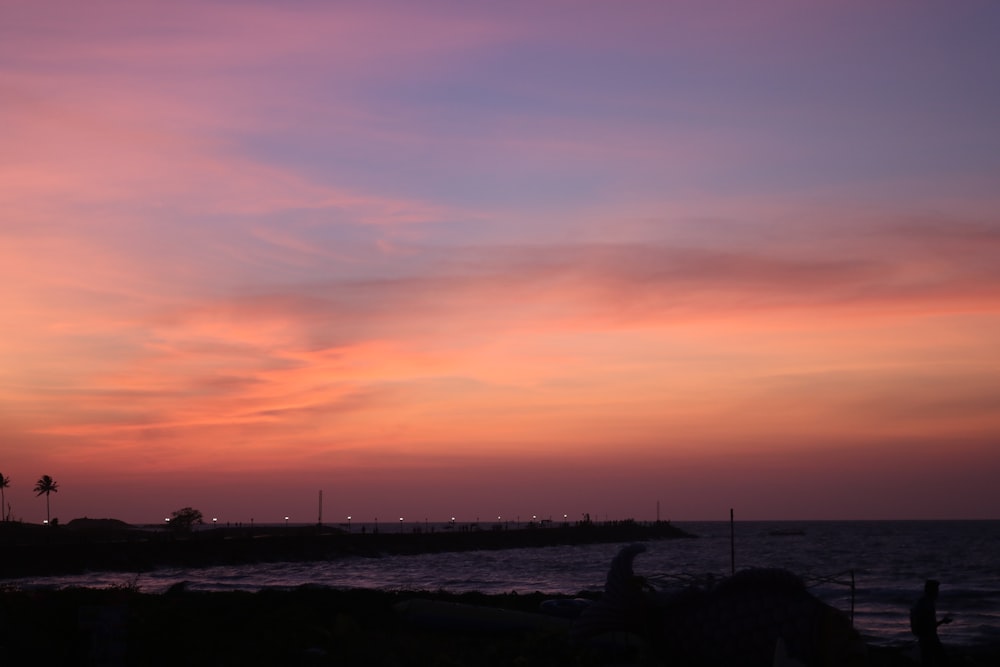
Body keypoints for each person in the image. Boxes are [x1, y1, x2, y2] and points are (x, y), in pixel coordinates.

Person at [910, 579, 952, 666]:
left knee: (929, 659)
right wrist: (942, 622)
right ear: (931, 591)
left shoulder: (923, 602)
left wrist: (942, 621)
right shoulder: (926, 604)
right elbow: (929, 626)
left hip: (925, 637)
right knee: (939, 659)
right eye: (936, 590)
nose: (937, 592)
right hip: (929, 637)